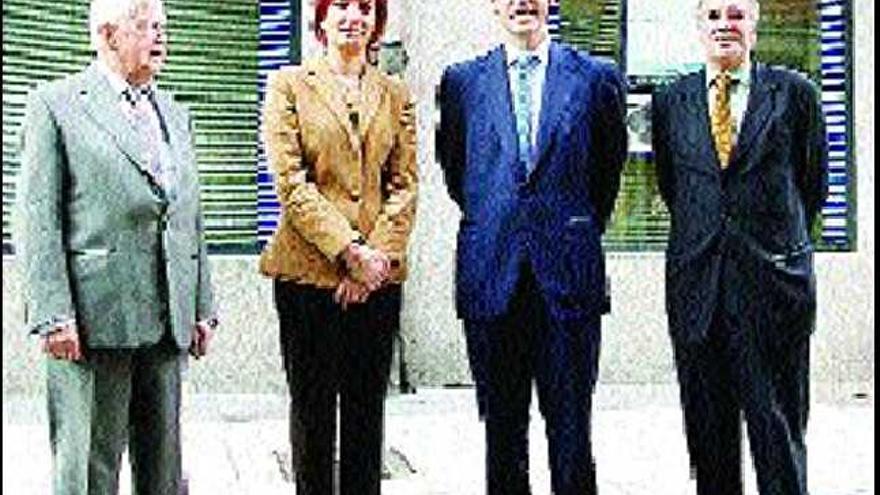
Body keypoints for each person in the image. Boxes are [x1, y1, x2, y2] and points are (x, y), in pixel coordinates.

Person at [16, 0, 218, 493]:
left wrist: (201, 306)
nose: (160, 36)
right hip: (92, 323)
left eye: (163, 26)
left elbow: (189, 216)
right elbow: (36, 218)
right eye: (146, 25)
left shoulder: (174, 113)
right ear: (108, 35)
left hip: (166, 321)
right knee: (90, 470)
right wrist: (52, 314)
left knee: (163, 472)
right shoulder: (57, 105)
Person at [438, 0, 627, 493]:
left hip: (567, 278)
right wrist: (504, 220)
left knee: (572, 435)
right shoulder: (462, 83)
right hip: (492, 274)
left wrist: (569, 226)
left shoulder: (595, 78)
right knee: (501, 435)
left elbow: (607, 170)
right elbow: (458, 173)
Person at [651, 1, 828, 494]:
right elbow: (675, 187)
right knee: (709, 444)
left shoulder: (795, 94)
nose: (724, 25)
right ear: (698, 26)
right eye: (713, 15)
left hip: (773, 290)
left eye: (736, 14)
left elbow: (811, 187)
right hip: (698, 291)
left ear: (754, 23)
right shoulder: (671, 101)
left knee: (778, 435)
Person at [258, 0, 418, 493]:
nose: (354, 16)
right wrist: (349, 251)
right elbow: (291, 183)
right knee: (313, 416)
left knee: (366, 418)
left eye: (365, 7)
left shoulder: (395, 94)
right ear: (322, 18)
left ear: (377, 21)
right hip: (308, 278)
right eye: (342, 5)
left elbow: (405, 184)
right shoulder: (288, 85)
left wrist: (373, 261)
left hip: (378, 282)